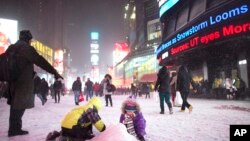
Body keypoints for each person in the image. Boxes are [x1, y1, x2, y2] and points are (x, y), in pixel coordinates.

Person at [6, 30, 63, 137]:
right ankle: (14, 129)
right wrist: (54, 72)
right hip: (22, 82)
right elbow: (40, 61)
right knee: (19, 105)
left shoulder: (12, 47)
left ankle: (15, 128)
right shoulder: (26, 49)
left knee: (15, 104)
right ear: (28, 39)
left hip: (12, 81)